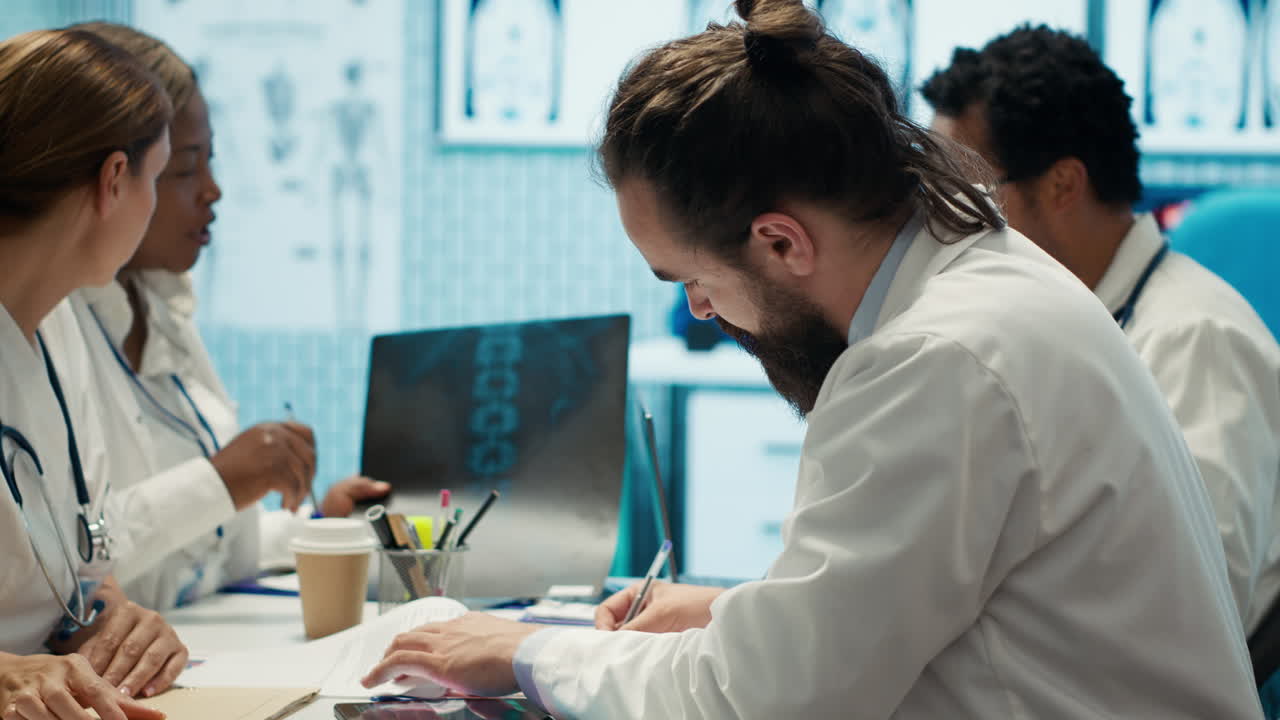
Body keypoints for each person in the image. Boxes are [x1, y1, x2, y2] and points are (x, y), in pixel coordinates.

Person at [358, 2, 1261, 717]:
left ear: (781, 242)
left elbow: (761, 700)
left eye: (693, 279)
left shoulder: (933, 360)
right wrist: (734, 613)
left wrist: (531, 651)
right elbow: (915, 600)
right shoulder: (981, 268)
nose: (699, 310)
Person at [920, 25, 1280, 637]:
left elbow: (1197, 605)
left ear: (1062, 185)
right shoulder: (1043, 322)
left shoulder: (1195, 340)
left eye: (967, 192)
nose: (943, 221)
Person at [60, 22, 391, 611]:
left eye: (209, 161)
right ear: (113, 177)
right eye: (186, 168)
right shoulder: (50, 323)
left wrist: (318, 525)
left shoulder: (161, 307)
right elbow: (65, 561)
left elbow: (203, 550)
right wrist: (220, 480)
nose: (213, 191)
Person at [0, 27, 187, 719]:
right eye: (157, 177)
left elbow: (74, 560)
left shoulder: (61, 327)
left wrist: (112, 619)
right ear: (113, 180)